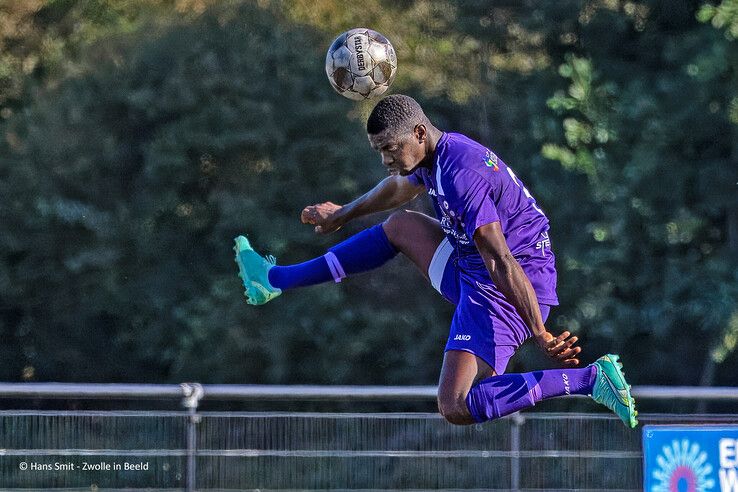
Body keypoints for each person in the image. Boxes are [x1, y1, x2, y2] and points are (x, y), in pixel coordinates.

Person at [233, 94, 637, 428]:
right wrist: (343, 213)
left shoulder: (461, 175)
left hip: (505, 288)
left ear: (419, 133)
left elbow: (499, 258)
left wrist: (539, 331)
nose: (386, 159)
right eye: (379, 151)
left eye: (390, 149)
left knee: (455, 405)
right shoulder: (434, 157)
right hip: (475, 268)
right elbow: (397, 190)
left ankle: (590, 379)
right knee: (402, 227)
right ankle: (275, 279)